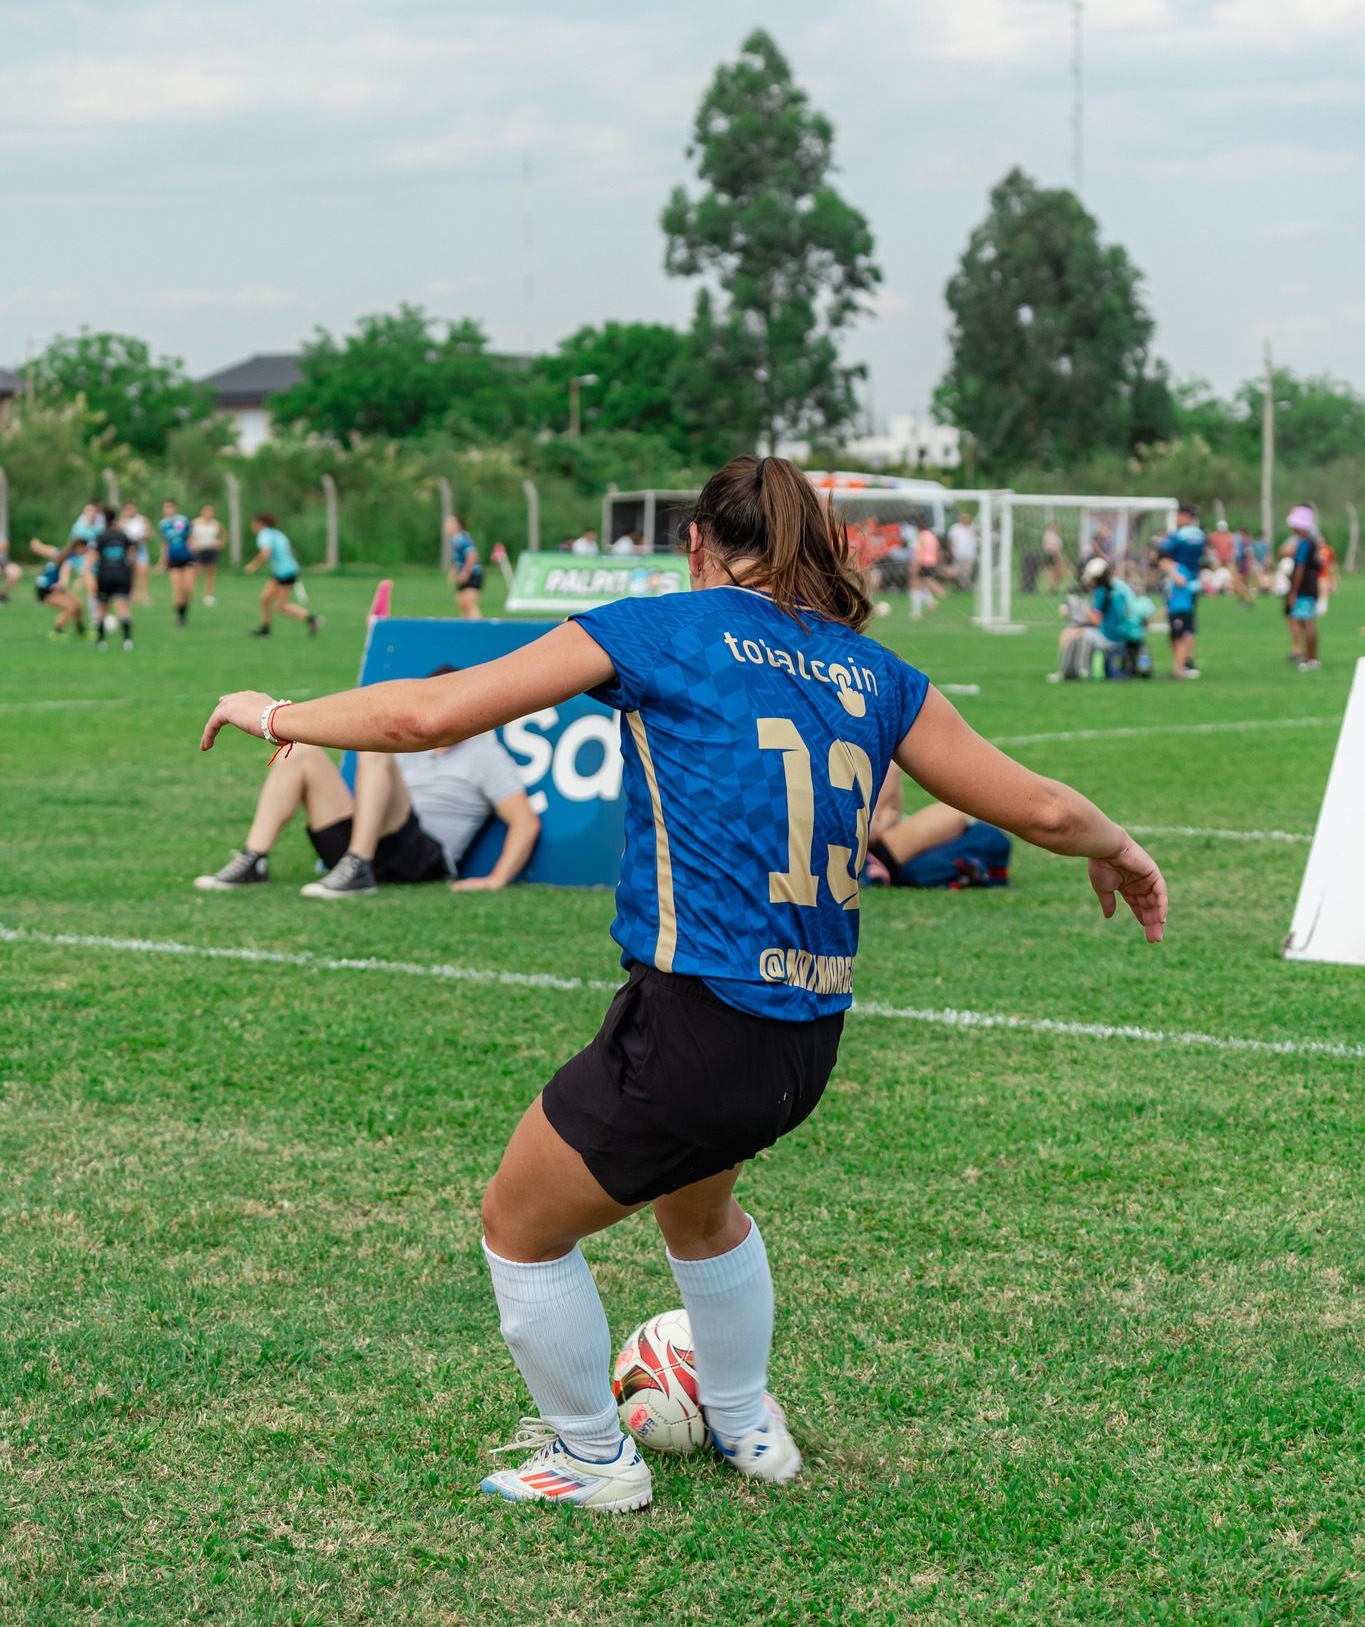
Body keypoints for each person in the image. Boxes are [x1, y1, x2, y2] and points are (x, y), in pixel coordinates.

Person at [200, 454, 1167, 1515]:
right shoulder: (873, 670)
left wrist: (276, 711)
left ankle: (591, 1457)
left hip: (699, 1020)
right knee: (698, 1207)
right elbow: (1041, 807)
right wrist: (1119, 846)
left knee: (520, 1223)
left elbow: (431, 716)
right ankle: (749, 1423)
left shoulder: (662, 626)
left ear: (697, 546)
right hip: (807, 1040)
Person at [195, 680, 540, 897]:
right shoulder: (414, 740)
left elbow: (525, 821)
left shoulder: (484, 753)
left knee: (376, 746)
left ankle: (359, 865)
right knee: (300, 750)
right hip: (369, 834)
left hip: (420, 856)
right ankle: (254, 861)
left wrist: (495, 880)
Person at [865, 772, 1010, 888]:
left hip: (876, 844)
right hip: (873, 848)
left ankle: (870, 865)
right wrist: (885, 820)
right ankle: (869, 866)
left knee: (957, 818)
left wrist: (886, 818)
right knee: (953, 815)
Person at [245, 514, 320, 637]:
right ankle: (265, 628)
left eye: (254, 523)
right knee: (265, 598)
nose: (252, 526)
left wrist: (253, 566)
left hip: (283, 572)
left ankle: (311, 619)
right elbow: (291, 551)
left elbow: (265, 552)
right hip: (287, 570)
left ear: (260, 524)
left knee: (281, 605)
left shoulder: (264, 534)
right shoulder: (278, 534)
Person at [1156, 504, 1208, 673]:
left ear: (1184, 516)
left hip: (1179, 583)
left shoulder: (1178, 537)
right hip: (1193, 583)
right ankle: (1188, 660)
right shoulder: (1201, 536)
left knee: (1178, 623)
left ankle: (1180, 665)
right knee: (1190, 623)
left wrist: (1168, 567)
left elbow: (1162, 554)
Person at [85, 515, 136, 650]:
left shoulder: (101, 537)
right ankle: (127, 640)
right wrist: (130, 573)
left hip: (105, 576)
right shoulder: (123, 536)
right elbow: (132, 556)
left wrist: (85, 572)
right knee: (123, 608)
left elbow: (93, 557)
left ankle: (101, 641)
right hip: (121, 575)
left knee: (102, 609)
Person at [1284, 505, 1322, 671]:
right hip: (1312, 586)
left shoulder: (1303, 544)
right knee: (1306, 620)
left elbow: (1300, 568)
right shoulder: (1313, 542)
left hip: (1304, 588)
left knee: (1307, 622)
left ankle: (1311, 659)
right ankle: (1310, 656)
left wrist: (1293, 592)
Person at [32, 537, 88, 636]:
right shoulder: (70, 558)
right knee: (71, 607)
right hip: (47, 590)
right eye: (85, 548)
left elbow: (45, 549)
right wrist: (63, 582)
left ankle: (81, 631)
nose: (86, 551)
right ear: (79, 547)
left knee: (78, 605)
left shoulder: (59, 552)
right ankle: (56, 631)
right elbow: (66, 569)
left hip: (50, 587)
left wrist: (37, 545)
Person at [1158, 554, 1198, 679]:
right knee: (1174, 640)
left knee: (1179, 639)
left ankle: (1180, 670)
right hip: (1173, 610)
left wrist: (1171, 569)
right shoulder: (1166, 577)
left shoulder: (1179, 568)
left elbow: (1182, 582)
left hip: (1182, 609)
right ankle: (1178, 667)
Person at [158, 498, 196, 627]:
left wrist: (194, 552)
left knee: (188, 588)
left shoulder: (183, 520)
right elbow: (165, 543)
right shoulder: (163, 524)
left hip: (187, 557)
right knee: (178, 587)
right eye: (165, 507)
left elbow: (190, 538)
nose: (167, 509)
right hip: (173, 559)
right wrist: (162, 560)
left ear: (175, 508)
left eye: (170, 507)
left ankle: (185, 610)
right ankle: (181, 617)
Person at [444, 514, 484, 618]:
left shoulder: (463, 539)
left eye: (449, 523)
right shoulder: (455, 540)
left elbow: (472, 555)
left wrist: (465, 573)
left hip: (473, 574)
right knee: (461, 601)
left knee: (469, 602)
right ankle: (466, 629)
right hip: (465, 574)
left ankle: (479, 629)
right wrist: (453, 571)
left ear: (457, 525)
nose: (446, 525)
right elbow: (459, 560)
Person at [190, 504, 225, 606]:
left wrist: (220, 543)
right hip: (199, 550)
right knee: (195, 572)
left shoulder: (216, 524)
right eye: (206, 511)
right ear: (202, 512)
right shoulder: (195, 523)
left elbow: (223, 534)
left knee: (211, 573)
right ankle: (190, 594)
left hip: (211, 550)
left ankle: (208, 595)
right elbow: (188, 535)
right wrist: (192, 543)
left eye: (210, 511)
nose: (208, 514)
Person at [120, 504, 153, 605]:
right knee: (130, 573)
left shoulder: (142, 520)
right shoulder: (123, 522)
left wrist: (142, 537)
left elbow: (150, 533)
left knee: (143, 571)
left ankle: (143, 594)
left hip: (140, 549)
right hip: (128, 550)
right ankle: (131, 594)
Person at [947, 511, 978, 591]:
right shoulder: (955, 528)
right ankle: (958, 585)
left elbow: (978, 537)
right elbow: (951, 540)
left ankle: (965, 586)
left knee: (967, 571)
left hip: (969, 553)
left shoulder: (973, 528)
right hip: (958, 552)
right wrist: (951, 550)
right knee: (957, 570)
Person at [1043, 520, 1067, 595]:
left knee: (1058, 572)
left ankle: (1054, 587)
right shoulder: (1049, 535)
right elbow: (1053, 548)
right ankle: (1051, 588)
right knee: (1052, 573)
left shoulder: (1055, 535)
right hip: (1052, 555)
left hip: (1057, 555)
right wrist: (1058, 557)